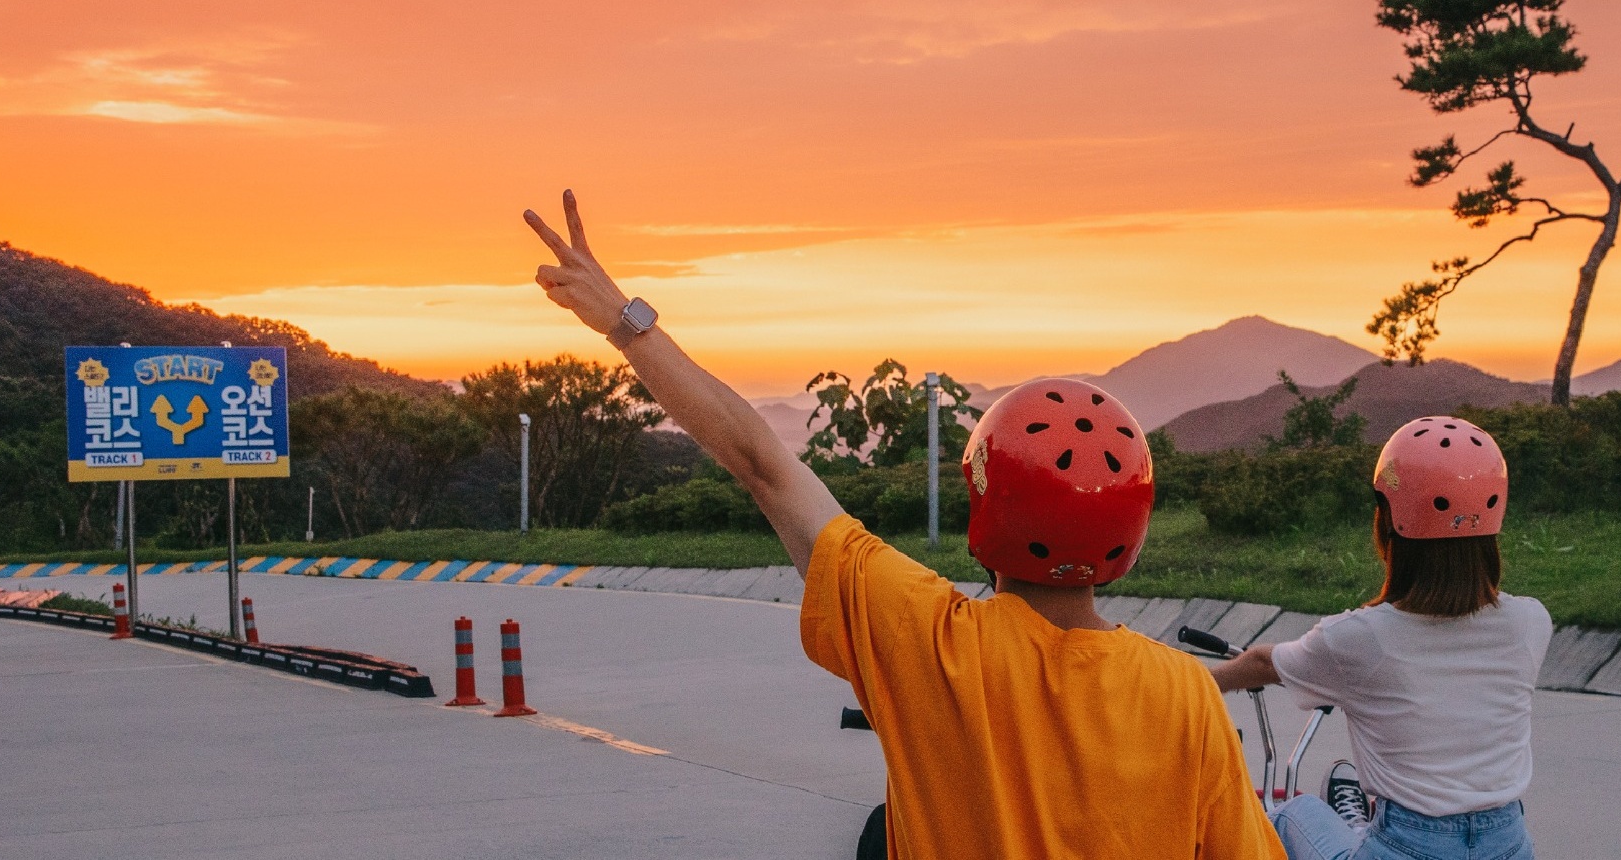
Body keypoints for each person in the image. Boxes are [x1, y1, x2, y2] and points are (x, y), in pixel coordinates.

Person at [520, 190, 1282, 859]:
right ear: (1132, 531)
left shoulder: (930, 642)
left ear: (987, 511)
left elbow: (763, 464)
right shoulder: (1186, 696)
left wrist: (627, 324)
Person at [1208, 416, 1552, 860]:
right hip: (1507, 844)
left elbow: (1260, 665)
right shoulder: (1531, 622)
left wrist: (1193, 686)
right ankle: (1355, 822)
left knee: (1289, 813)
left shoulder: (1362, 638)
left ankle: (1354, 825)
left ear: (1389, 519)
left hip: (1406, 845)